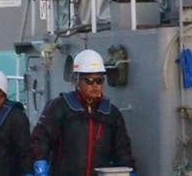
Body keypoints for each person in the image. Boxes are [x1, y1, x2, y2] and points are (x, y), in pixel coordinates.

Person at [31, 48, 135, 176]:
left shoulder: (111, 113)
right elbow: (41, 138)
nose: (95, 85)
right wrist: (40, 163)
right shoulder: (60, 106)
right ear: (77, 80)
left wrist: (129, 170)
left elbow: (122, 149)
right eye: (89, 80)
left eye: (99, 80)